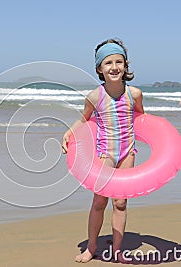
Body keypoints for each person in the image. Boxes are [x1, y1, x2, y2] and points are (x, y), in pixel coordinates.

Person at [62, 38, 144, 263]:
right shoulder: (95, 96)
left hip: (127, 152)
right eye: (108, 63)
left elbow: (141, 119)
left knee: (120, 202)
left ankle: (117, 250)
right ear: (100, 68)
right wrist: (69, 132)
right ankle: (91, 247)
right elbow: (83, 119)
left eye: (119, 61)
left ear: (125, 65)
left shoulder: (134, 94)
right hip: (105, 153)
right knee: (100, 201)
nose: (114, 67)